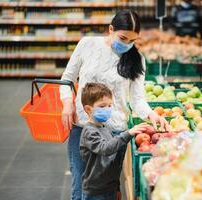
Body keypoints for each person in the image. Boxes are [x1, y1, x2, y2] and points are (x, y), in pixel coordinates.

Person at [59, 10, 168, 200]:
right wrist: (67, 103)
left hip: (115, 132)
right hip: (83, 127)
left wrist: (152, 115)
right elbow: (67, 79)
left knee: (106, 189)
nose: (126, 45)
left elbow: (137, 100)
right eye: (123, 38)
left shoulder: (137, 59)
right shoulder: (87, 45)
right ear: (111, 29)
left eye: (132, 41)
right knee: (80, 186)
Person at [80, 82, 150, 200]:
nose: (107, 109)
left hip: (109, 187)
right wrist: (128, 134)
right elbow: (106, 149)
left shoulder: (105, 128)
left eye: (109, 106)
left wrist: (117, 187)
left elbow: (111, 162)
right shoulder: (89, 132)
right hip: (95, 191)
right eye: (102, 106)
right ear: (88, 109)